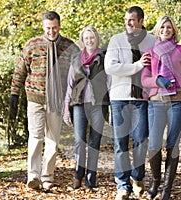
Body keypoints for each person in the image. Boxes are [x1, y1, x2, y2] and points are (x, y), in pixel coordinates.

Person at [9, 11, 79, 190]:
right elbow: (20, 72)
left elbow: (79, 72)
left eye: (54, 28)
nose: (51, 32)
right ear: (43, 27)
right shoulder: (32, 45)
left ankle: (47, 177)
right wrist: (14, 95)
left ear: (59, 26)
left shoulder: (69, 46)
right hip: (35, 98)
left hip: (57, 101)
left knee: (53, 141)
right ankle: (33, 176)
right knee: (36, 137)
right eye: (48, 28)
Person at [141, 15, 181, 199]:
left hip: (178, 102)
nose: (166, 30)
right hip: (157, 101)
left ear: (174, 30)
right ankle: (156, 181)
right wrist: (157, 80)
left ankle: (167, 189)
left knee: (173, 146)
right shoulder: (150, 52)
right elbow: (144, 80)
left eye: (169, 27)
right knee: (154, 145)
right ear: (157, 30)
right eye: (163, 27)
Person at [104, 6, 155, 200]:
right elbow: (110, 67)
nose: (128, 23)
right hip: (119, 98)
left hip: (141, 98)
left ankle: (138, 177)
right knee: (120, 143)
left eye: (132, 20)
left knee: (141, 141)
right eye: (126, 20)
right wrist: (137, 66)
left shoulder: (151, 40)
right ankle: (122, 186)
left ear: (141, 21)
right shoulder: (116, 40)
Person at [63, 26, 110, 190]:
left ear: (96, 39)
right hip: (79, 104)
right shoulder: (76, 58)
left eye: (92, 37)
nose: (89, 40)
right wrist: (65, 108)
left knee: (94, 142)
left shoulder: (104, 57)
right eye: (86, 38)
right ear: (82, 40)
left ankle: (91, 178)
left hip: (99, 104)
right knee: (79, 141)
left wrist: (111, 107)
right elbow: (70, 84)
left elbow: (109, 82)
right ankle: (78, 174)